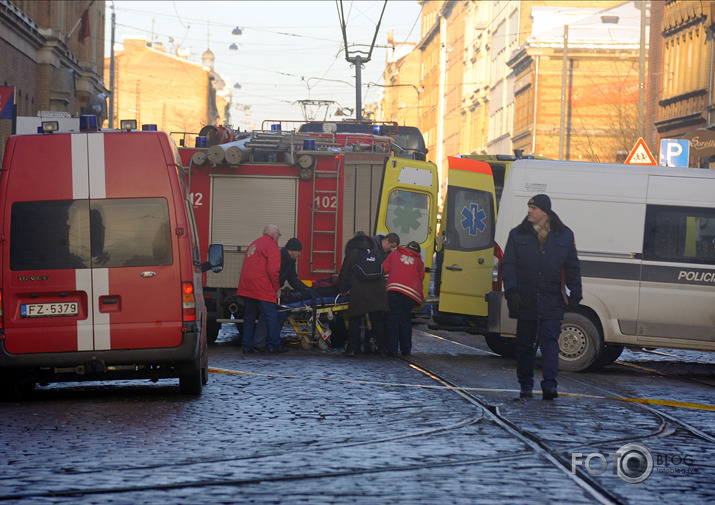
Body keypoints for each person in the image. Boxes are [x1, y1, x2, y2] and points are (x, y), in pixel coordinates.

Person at [501, 194, 582, 400]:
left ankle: (549, 385)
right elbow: (508, 264)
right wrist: (511, 291)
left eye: (533, 208)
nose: (529, 211)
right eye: (529, 207)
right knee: (524, 345)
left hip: (552, 298)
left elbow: (572, 266)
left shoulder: (564, 235)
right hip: (525, 298)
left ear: (544, 212)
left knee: (550, 342)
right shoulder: (517, 234)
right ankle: (526, 384)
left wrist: (576, 293)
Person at [236, 224, 287, 354]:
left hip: (247, 286)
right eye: (279, 234)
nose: (279, 237)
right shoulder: (272, 245)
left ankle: (246, 346)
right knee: (271, 315)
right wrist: (276, 288)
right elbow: (273, 270)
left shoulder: (254, 244)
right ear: (274, 234)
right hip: (261, 286)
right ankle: (273, 345)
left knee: (249, 316)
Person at [253, 237, 309, 351]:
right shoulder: (280, 258)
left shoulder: (290, 260)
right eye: (299, 251)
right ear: (292, 251)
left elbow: (293, 279)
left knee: (279, 314)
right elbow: (274, 275)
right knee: (269, 315)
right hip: (267, 289)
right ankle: (265, 343)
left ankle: (268, 342)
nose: (300, 254)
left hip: (272, 289)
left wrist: (306, 289)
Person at [338, 232, 389, 356]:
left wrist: (342, 290)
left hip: (359, 292)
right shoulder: (373, 253)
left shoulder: (352, 254)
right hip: (378, 291)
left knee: (355, 319)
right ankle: (382, 349)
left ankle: (352, 349)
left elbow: (344, 274)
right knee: (377, 321)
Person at [383, 241, 425, 356]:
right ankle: (406, 349)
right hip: (411, 293)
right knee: (405, 319)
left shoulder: (395, 254)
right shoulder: (419, 261)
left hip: (394, 289)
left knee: (393, 318)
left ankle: (392, 350)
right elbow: (421, 277)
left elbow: (384, 269)